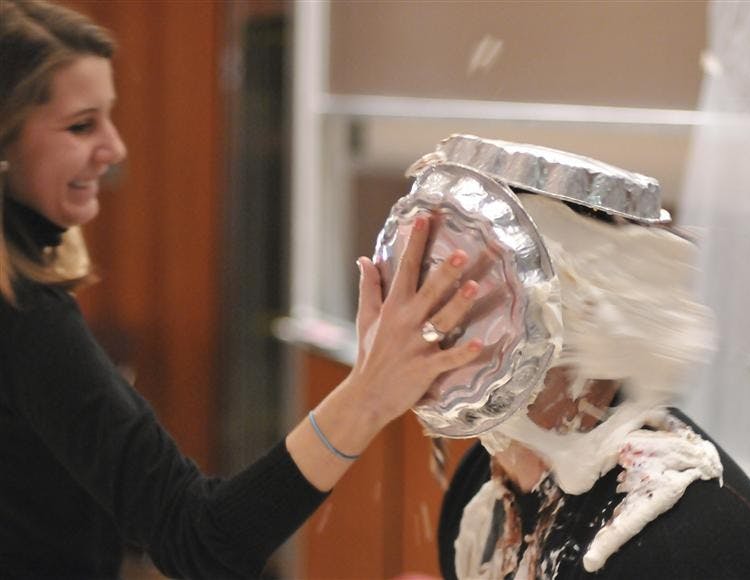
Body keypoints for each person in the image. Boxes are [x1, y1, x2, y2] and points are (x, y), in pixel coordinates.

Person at [0, 1, 485, 577]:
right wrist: (369, 394)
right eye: (82, 125)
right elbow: (199, 542)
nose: (115, 149)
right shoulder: (26, 319)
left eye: (109, 117)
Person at [421, 145, 750, 578]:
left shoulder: (684, 543)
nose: (430, 323)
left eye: (471, 294)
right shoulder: (481, 486)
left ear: (583, 309)